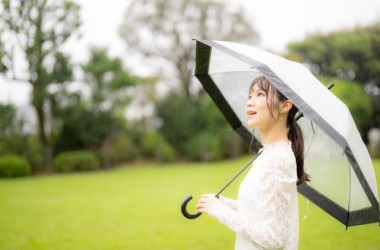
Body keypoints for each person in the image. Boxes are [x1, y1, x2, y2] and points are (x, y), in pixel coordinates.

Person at [196, 76, 309, 250]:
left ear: (285, 105)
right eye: (250, 96)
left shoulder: (278, 160)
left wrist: (219, 211)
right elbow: (259, 213)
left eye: (260, 94)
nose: (249, 102)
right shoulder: (268, 154)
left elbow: (274, 238)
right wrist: (225, 204)